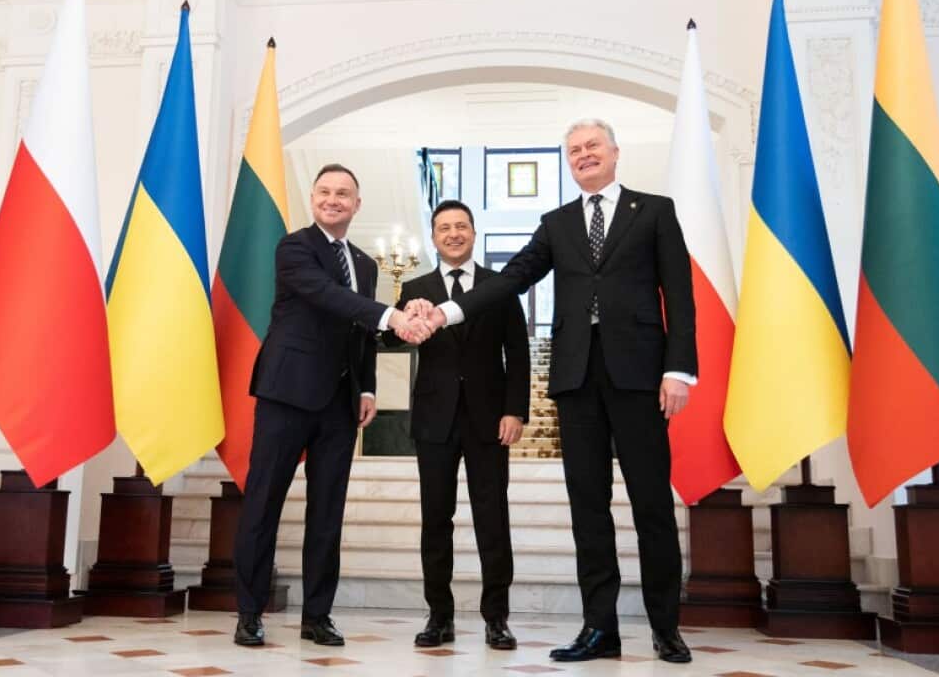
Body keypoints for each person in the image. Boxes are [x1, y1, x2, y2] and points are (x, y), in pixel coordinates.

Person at [419, 119, 697, 664]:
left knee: (651, 505)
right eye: (574, 151)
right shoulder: (557, 222)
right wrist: (452, 310)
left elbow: (680, 296)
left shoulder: (655, 210)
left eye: (593, 146)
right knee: (587, 508)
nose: (584, 155)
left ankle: (667, 628)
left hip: (641, 377)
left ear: (615, 152)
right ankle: (601, 629)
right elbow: (512, 277)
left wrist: (679, 370)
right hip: (574, 380)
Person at [233, 164, 429, 648]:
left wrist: (366, 388)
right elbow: (327, 298)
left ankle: (317, 616)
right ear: (313, 199)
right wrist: (392, 315)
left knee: (328, 514)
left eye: (344, 194)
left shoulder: (365, 263)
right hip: (287, 394)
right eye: (325, 192)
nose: (334, 199)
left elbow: (358, 331)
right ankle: (249, 613)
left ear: (357, 204)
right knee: (263, 504)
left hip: (339, 404)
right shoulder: (294, 247)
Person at [385, 200, 530, 651]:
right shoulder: (415, 286)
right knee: (435, 519)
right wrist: (406, 321)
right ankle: (439, 616)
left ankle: (497, 619)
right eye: (444, 227)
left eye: (460, 226)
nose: (453, 233)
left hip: (489, 419)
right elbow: (390, 337)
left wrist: (516, 410)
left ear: (472, 231)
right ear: (433, 237)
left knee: (492, 518)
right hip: (434, 419)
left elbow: (518, 353)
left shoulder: (499, 285)